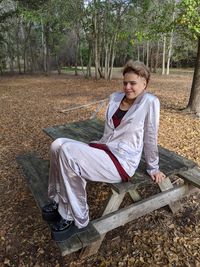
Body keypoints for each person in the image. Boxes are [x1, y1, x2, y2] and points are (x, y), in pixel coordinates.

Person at [42, 60, 166, 241]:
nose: (128, 87)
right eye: (125, 82)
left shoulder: (150, 102)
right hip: (104, 150)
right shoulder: (116, 98)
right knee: (57, 144)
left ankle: (74, 217)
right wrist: (97, 146)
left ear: (144, 83)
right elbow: (109, 132)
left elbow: (151, 136)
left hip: (122, 161)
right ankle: (59, 201)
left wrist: (153, 168)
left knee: (68, 152)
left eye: (133, 83)